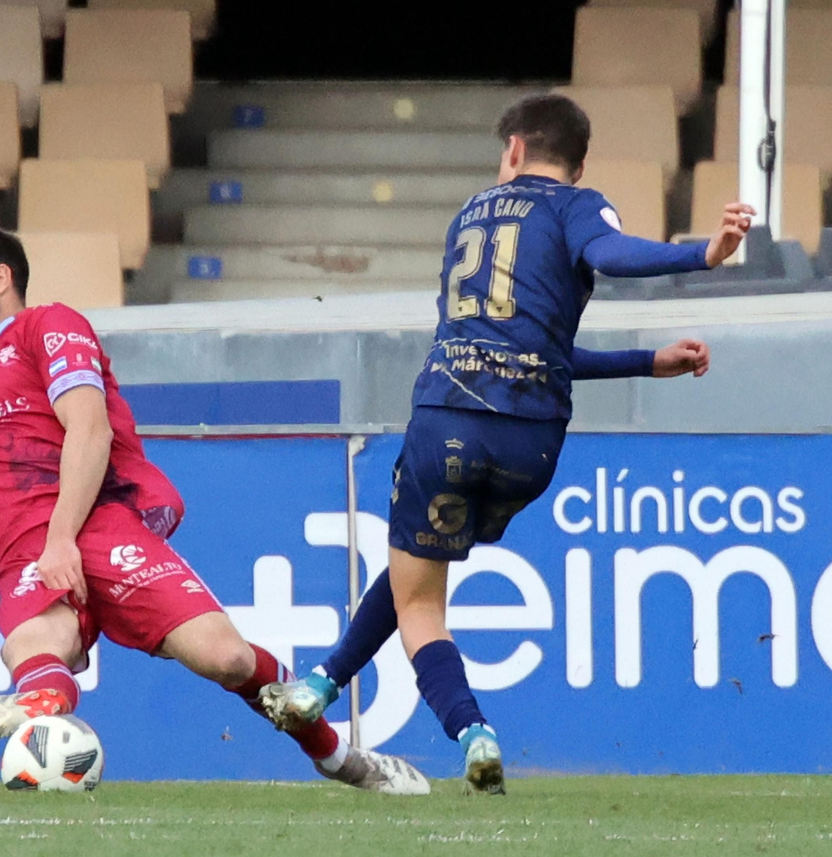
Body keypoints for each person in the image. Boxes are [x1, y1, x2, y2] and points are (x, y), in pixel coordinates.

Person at [0, 227, 429, 795]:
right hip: (28, 554)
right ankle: (39, 702)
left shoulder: (50, 326)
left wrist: (62, 539)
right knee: (34, 645)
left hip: (100, 526)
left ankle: (341, 760)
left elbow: (90, 428)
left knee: (229, 660)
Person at [260, 93, 754, 795]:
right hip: (530, 445)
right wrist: (657, 341)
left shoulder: (470, 215)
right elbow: (591, 281)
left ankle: (471, 733)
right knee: (416, 564)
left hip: (448, 419)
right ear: (580, 163)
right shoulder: (578, 207)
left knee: (419, 597)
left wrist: (701, 255)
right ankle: (319, 684)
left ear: (515, 150)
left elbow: (576, 281)